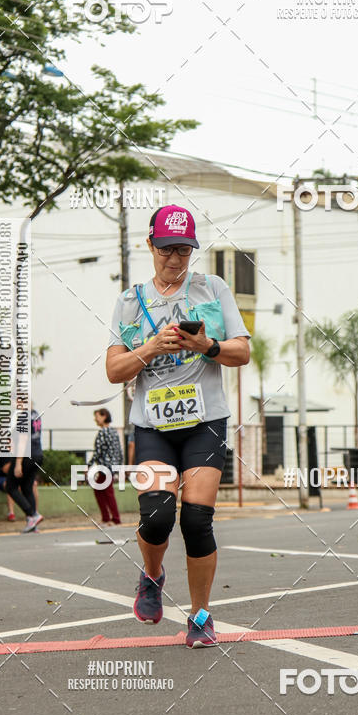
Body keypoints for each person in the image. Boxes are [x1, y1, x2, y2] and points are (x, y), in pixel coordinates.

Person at [106, 204, 250, 649]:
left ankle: (201, 615)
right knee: (157, 517)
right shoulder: (130, 301)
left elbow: (241, 352)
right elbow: (114, 370)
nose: (176, 259)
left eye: (184, 249)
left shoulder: (212, 287)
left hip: (204, 422)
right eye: (167, 249)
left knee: (196, 518)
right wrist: (151, 346)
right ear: (150, 245)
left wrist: (206, 344)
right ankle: (151, 576)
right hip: (152, 426)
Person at [4, 409, 44, 533]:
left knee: (10, 487)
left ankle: (33, 514)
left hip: (26, 456)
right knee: (27, 488)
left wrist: (18, 463)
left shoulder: (23, 416)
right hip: (37, 454)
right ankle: (32, 524)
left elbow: (22, 440)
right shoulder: (35, 414)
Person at [88, 407, 123, 526]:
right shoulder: (114, 431)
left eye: (97, 416)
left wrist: (88, 465)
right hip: (112, 467)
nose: (95, 419)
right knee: (103, 490)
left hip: (105, 467)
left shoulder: (103, 432)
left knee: (106, 492)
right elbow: (119, 450)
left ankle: (112, 518)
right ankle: (109, 517)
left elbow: (98, 451)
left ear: (104, 416)